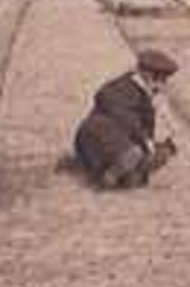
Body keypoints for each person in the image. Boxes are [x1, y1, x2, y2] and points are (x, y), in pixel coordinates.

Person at [73, 48, 179, 190]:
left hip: (121, 143)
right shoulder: (117, 87)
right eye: (160, 80)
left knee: (136, 174)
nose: (161, 86)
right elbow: (121, 114)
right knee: (128, 148)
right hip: (94, 139)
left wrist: (151, 144)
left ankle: (129, 170)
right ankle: (110, 173)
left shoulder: (146, 97)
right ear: (147, 76)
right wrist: (144, 140)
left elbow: (145, 128)